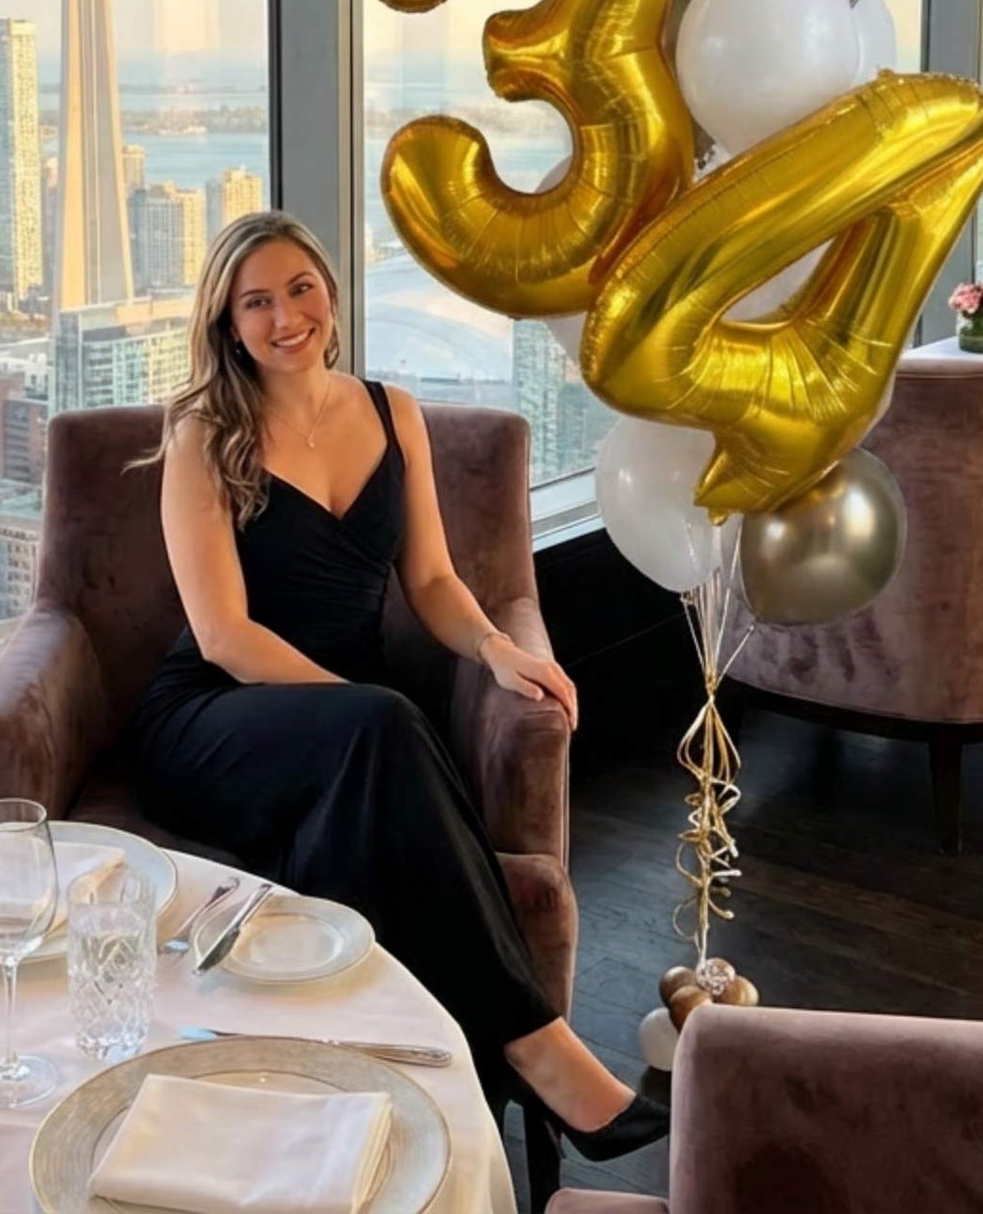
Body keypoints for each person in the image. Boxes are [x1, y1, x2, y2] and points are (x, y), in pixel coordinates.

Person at [130, 208, 667, 1161]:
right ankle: (542, 1053)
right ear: (228, 323)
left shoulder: (392, 413)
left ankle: (426, 1096)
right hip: (214, 717)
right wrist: (350, 707)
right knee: (382, 726)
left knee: (382, 735)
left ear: (331, 296)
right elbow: (223, 636)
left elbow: (431, 581)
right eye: (257, 301)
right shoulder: (203, 436)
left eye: (301, 288)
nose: (285, 315)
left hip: (353, 725)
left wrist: (500, 650)